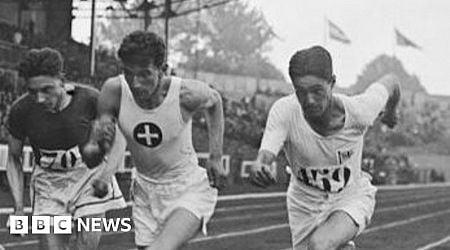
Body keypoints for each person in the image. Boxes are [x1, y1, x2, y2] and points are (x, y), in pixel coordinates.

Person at [82, 30, 226, 250]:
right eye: (128, 73)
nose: (136, 83)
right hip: (146, 192)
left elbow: (215, 102)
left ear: (162, 69)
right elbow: (92, 156)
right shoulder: (114, 91)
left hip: (187, 186)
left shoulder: (185, 93)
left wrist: (216, 156)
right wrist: (99, 147)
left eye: (145, 74)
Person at [249, 46, 400, 250]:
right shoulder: (285, 111)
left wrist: (390, 111)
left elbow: (391, 81)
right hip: (304, 204)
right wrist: (260, 165)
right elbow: (266, 152)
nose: (309, 100)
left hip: (350, 196)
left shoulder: (360, 111)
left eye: (317, 91)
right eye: (301, 92)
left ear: (332, 83)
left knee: (320, 245)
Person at [6, 47, 127, 250]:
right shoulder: (21, 110)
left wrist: (106, 176)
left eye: (47, 89)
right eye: (32, 91)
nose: (40, 98)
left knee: (86, 244)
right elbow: (13, 159)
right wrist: (18, 208)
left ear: (61, 81)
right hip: (48, 182)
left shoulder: (89, 99)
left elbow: (120, 136)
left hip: (87, 175)